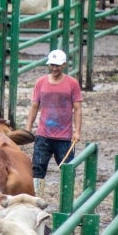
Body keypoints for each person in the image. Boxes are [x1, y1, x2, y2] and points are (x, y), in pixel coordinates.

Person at [25, 49, 82, 197]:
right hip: (43, 135)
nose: (54, 68)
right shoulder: (41, 82)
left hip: (64, 137)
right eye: (52, 65)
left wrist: (77, 131)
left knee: (67, 169)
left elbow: (77, 108)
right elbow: (34, 106)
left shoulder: (72, 83)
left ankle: (68, 199)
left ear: (64, 65)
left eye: (57, 65)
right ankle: (37, 198)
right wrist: (28, 128)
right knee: (37, 168)